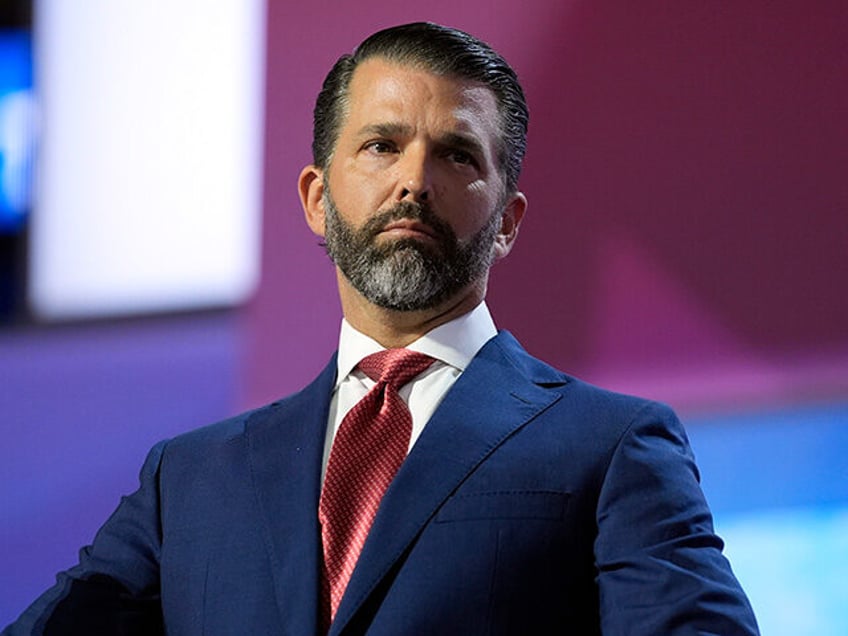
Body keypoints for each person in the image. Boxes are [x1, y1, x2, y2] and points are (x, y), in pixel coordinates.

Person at [4, 22, 759, 635]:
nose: (414, 180)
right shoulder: (189, 481)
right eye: (381, 145)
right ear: (316, 200)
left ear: (507, 223)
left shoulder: (613, 447)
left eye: (457, 154)